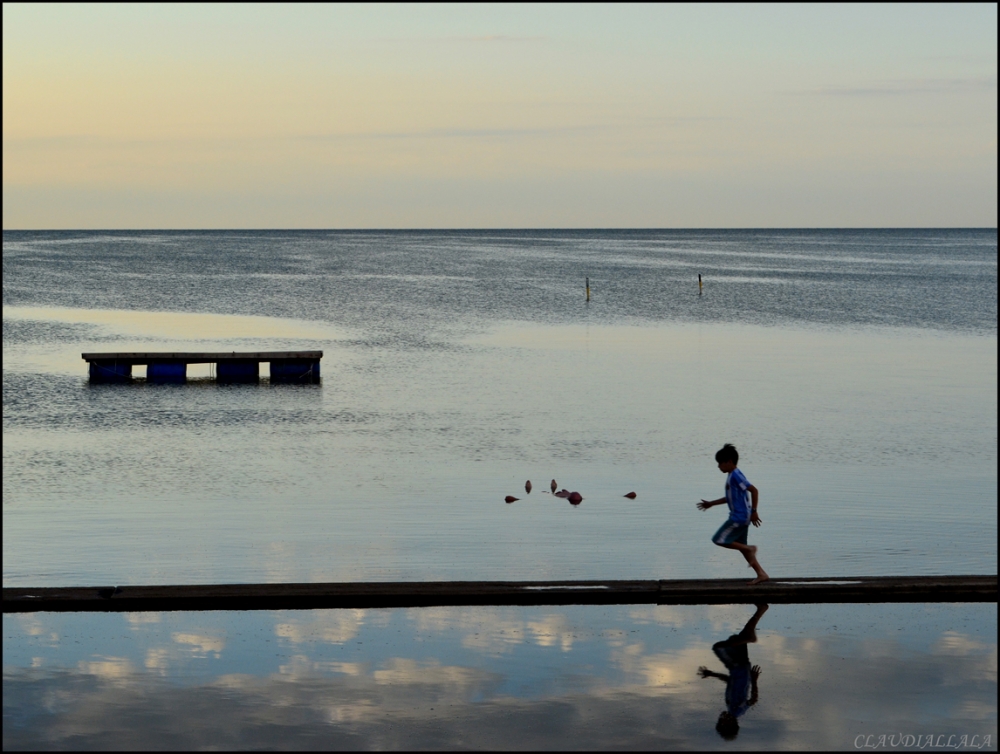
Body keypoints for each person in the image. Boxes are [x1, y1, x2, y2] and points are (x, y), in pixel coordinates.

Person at [697, 444, 769, 585]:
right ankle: (761, 574)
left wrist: (754, 511)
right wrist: (711, 503)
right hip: (743, 517)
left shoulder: (736, 475)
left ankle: (751, 548)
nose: (718, 466)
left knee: (719, 539)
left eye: (720, 463)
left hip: (739, 517)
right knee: (742, 547)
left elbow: (754, 490)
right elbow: (730, 498)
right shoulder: (732, 476)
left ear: (729, 461)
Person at [698, 603, 768, 740]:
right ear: (730, 723)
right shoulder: (737, 710)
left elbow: (729, 681)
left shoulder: (731, 705)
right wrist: (754, 680)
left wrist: (712, 674)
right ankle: (750, 637)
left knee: (741, 636)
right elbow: (752, 700)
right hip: (739, 667)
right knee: (719, 647)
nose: (720, 718)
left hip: (739, 669)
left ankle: (761, 609)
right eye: (721, 721)